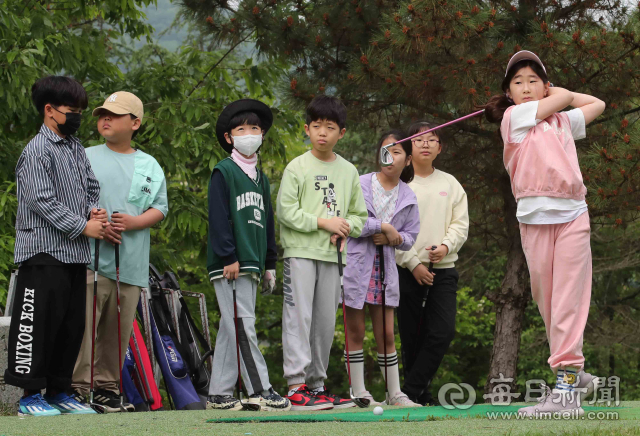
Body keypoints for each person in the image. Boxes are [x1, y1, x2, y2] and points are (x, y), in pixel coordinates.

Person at [483, 50, 606, 417]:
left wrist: (555, 93)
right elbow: (567, 100)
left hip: (572, 216)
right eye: (517, 82)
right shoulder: (513, 118)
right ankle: (575, 372)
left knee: (568, 299)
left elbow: (596, 103)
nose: (525, 88)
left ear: (545, 85)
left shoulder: (562, 123)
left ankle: (567, 386)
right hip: (534, 219)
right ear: (508, 94)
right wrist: (553, 95)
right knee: (548, 301)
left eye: (533, 80)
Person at [5, 76, 107, 416]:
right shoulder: (36, 150)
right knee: (37, 326)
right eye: (72, 110)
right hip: (42, 254)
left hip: (76, 254)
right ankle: (29, 397)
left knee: (71, 325)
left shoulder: (75, 146)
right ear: (49, 111)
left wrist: (93, 209)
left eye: (79, 110)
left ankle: (60, 392)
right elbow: (41, 201)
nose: (77, 117)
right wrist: (84, 225)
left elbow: (91, 185)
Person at [71, 91, 168, 412]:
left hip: (131, 264)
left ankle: (107, 389)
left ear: (136, 123)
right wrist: (91, 216)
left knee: (118, 329)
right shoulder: (83, 156)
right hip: (89, 260)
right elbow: (69, 200)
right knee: (86, 325)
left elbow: (159, 208)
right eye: (102, 114)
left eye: (114, 115)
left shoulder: (149, 164)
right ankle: (77, 388)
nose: (105, 119)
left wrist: (134, 222)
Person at [277, 95, 368, 411]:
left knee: (325, 323)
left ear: (341, 132)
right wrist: (324, 222)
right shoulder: (297, 167)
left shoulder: (348, 171)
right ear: (306, 129)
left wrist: (345, 226)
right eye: (317, 126)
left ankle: (316, 386)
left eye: (330, 127)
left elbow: (359, 217)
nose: (323, 133)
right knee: (298, 318)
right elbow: (286, 212)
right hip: (300, 253)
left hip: (332, 257)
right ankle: (295, 386)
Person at [206, 99, 290, 411]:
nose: (249, 134)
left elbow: (267, 222)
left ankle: (219, 393)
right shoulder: (223, 172)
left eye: (254, 128)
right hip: (231, 265)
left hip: (253, 264)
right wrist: (228, 257)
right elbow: (217, 218)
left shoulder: (260, 177)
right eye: (241, 129)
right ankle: (260, 389)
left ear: (262, 134)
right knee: (243, 325)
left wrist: (269, 264)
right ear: (229, 137)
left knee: (233, 326)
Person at [342, 130, 421, 406]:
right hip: (356, 266)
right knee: (355, 331)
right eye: (385, 150)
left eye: (397, 151)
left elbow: (410, 238)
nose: (389, 156)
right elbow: (350, 221)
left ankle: (394, 393)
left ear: (408, 160)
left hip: (385, 270)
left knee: (387, 333)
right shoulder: (360, 183)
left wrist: (393, 237)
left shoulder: (408, 196)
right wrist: (382, 226)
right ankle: (359, 392)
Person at [396, 121, 469, 406]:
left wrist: (445, 246)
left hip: (444, 269)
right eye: (419, 139)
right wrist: (413, 262)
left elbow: (460, 224)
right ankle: (420, 394)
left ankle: (410, 392)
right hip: (406, 270)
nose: (425, 143)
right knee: (411, 336)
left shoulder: (450, 183)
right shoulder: (400, 185)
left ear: (440, 148)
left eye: (432, 139)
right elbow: (393, 231)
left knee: (442, 332)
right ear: (409, 147)